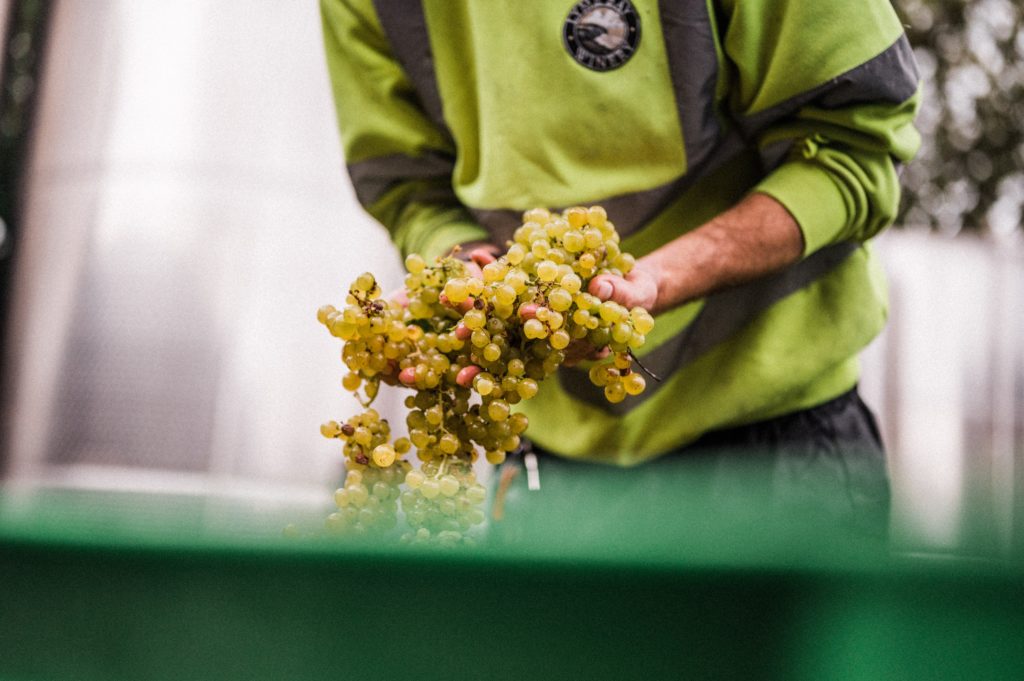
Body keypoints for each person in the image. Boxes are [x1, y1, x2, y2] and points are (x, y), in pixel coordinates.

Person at [319, 0, 921, 537]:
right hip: (543, 468)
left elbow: (853, 146)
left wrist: (665, 277)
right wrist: (464, 269)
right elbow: (408, 188)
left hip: (778, 458)